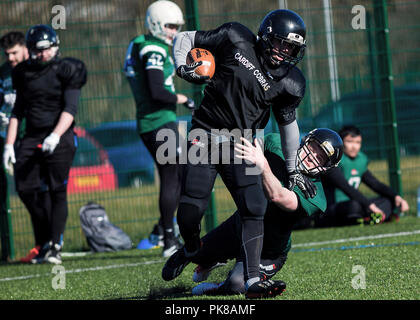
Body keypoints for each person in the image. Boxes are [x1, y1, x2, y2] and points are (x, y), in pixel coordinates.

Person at [162, 9, 316, 298]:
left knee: (254, 204)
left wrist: (293, 169)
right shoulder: (235, 37)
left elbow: (289, 126)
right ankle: (192, 246)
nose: (284, 53)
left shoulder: (290, 82)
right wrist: (184, 68)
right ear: (266, 36)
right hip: (204, 134)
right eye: (281, 44)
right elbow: (184, 38)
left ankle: (252, 280)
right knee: (190, 211)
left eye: (291, 48)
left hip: (241, 141)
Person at [186, 128, 343, 297]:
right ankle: (213, 259)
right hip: (240, 225)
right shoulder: (276, 143)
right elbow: (248, 145)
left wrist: (264, 166)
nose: (312, 157)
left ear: (326, 167)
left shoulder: (317, 196)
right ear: (305, 141)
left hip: (268, 250)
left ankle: (218, 287)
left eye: (319, 157)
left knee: (236, 284)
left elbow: (278, 196)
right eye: (313, 148)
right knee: (195, 255)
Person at [2, 24, 87, 264]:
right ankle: (45, 240)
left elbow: (70, 109)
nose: (44, 54)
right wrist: (9, 145)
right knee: (25, 188)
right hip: (33, 135)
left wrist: (56, 135)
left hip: (60, 135)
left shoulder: (68, 69)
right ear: (30, 50)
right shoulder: (22, 72)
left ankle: (54, 246)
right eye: (38, 50)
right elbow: (18, 111)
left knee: (56, 189)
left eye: (48, 49)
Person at [123, 0, 193, 257]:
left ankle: (165, 230)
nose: (174, 32)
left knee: (179, 174)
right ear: (156, 23)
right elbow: (156, 90)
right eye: (170, 26)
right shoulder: (152, 48)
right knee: (173, 176)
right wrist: (184, 99)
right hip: (157, 121)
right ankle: (167, 237)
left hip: (155, 121)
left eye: (177, 27)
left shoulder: (140, 44)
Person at [313, 125, 409, 227]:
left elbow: (375, 184)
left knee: (388, 200)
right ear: (341, 142)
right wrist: (370, 205)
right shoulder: (333, 161)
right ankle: (369, 217)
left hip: (355, 204)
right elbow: (346, 187)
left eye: (358, 142)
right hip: (332, 209)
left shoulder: (360, 160)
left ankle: (371, 218)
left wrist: (396, 196)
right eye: (349, 142)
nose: (354, 146)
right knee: (354, 205)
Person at [0, 31, 30, 262]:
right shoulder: (3, 73)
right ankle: (6, 252)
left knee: (39, 188)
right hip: (8, 137)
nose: (10, 58)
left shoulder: (36, 68)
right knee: (21, 188)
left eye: (14, 53)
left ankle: (50, 243)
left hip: (32, 134)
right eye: (7, 54)